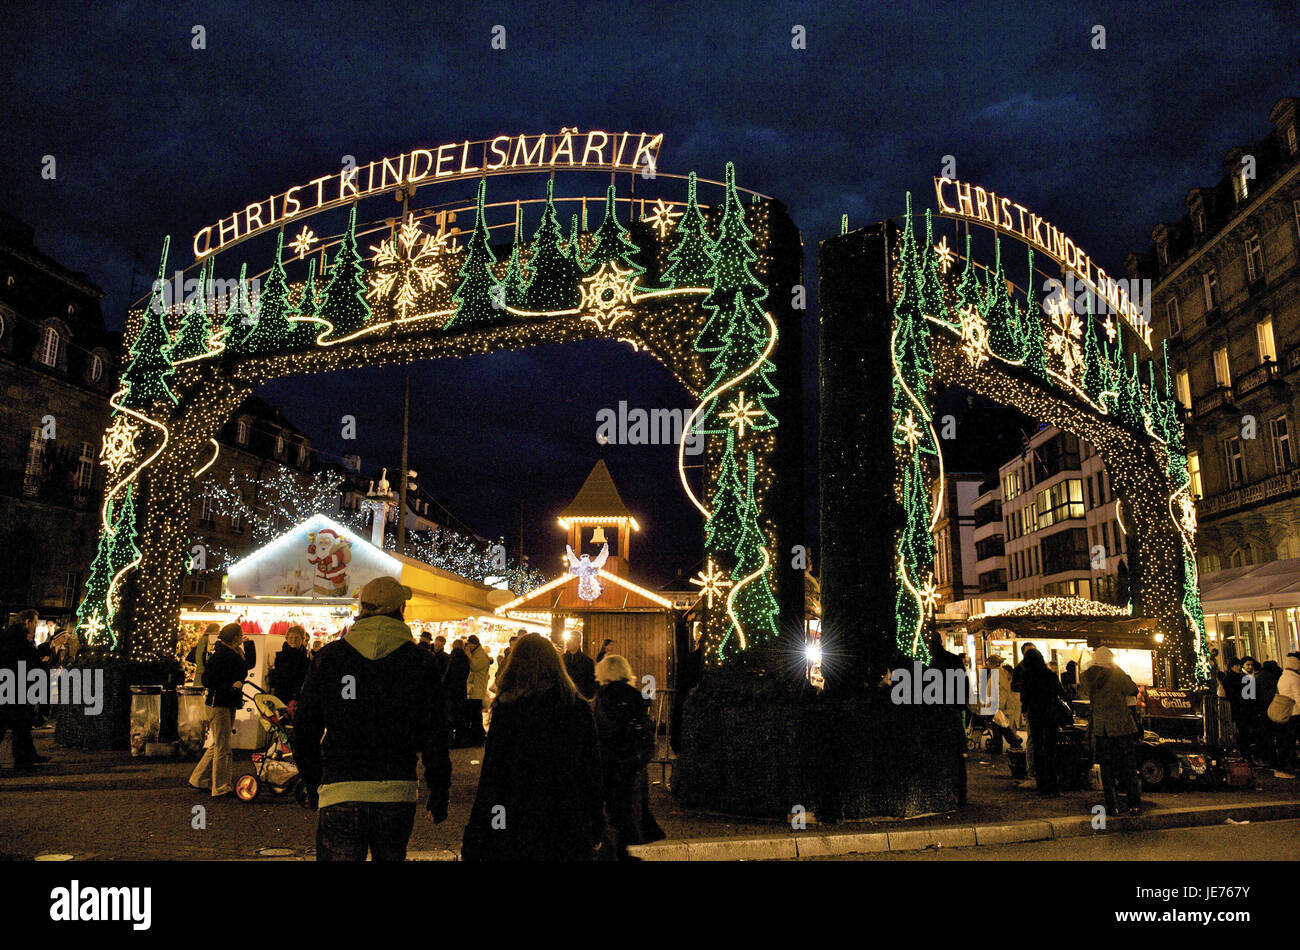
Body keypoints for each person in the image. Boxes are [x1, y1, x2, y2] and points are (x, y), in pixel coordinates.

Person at [295, 576, 450, 861]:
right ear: (400, 610)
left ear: (362, 609)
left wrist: (313, 780)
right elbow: (435, 732)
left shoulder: (330, 657)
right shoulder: (421, 662)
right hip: (396, 789)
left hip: (341, 787)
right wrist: (439, 789)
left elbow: (305, 728)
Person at [461, 633, 604, 861]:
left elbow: (494, 776)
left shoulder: (508, 711)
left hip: (518, 817)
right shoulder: (577, 708)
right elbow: (591, 771)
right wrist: (596, 822)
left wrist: (491, 825)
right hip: (567, 818)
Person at [594, 655, 665, 859]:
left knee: (611, 816)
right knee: (627, 817)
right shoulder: (636, 697)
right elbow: (645, 736)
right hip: (631, 769)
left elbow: (603, 733)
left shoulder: (604, 698)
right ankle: (622, 852)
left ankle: (615, 853)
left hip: (609, 767)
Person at [1080, 647, 1142, 816]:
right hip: (1121, 727)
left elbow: (1085, 693)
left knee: (1106, 769)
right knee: (1128, 766)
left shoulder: (1086, 676)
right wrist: (1118, 669)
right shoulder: (1117, 674)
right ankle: (1133, 804)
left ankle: (1111, 805)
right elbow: (1132, 689)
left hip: (1101, 729)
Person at [187, 624, 247, 797]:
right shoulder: (221, 655)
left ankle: (198, 778)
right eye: (241, 635)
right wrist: (229, 686)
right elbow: (207, 679)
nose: (242, 637)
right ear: (235, 637)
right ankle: (220, 786)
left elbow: (243, 669)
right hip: (219, 703)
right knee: (223, 746)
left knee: (219, 743)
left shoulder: (231, 653)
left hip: (226, 701)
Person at [1015, 646, 1069, 796]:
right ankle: (1053, 785)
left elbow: (1023, 698)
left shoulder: (1027, 678)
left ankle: (1042, 785)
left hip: (1035, 716)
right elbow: (1062, 693)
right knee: (1051, 750)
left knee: (1038, 748)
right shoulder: (1050, 675)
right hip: (1050, 716)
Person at [0, 610, 48, 770]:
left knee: (22, 725)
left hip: (14, 686)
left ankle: (27, 757)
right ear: (27, 622)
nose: (35, 626)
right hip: (13, 687)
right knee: (16, 724)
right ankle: (24, 760)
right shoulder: (16, 639)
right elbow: (20, 661)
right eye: (34, 622)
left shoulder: (14, 637)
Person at [981, 655, 1021, 753]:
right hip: (995, 705)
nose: (987, 665)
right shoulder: (997, 673)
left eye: (988, 663)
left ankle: (1013, 743)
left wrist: (998, 705)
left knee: (1001, 727)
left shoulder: (998, 673)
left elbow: (1002, 691)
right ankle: (999, 746)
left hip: (997, 705)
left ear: (992, 663)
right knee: (998, 726)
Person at [268, 625, 311, 706]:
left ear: (302, 639)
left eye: (296, 637)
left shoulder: (306, 658)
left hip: (299, 697)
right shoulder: (280, 656)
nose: (293, 640)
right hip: (282, 697)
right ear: (286, 639)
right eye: (291, 637)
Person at [1274, 655, 1300, 778]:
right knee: (1289, 742)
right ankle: (1284, 766)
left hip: (1286, 713)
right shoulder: (1294, 679)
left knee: (1287, 741)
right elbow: (1298, 697)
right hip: (1295, 713)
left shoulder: (1283, 677)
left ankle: (1283, 766)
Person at [443, 638, 470, 746]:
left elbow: (448, 674)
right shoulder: (465, 658)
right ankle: (461, 739)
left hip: (451, 691)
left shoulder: (452, 657)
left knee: (449, 716)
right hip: (461, 690)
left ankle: (449, 740)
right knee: (460, 716)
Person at [464, 635, 490, 745]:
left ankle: (479, 737)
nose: (467, 646)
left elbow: (474, 666)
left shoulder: (480, 655)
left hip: (477, 690)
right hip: (474, 690)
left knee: (475, 715)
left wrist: (468, 655)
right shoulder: (477, 654)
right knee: (474, 715)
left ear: (473, 644)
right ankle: (478, 736)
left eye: (469, 644)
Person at [187, 622, 219, 687]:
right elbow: (199, 653)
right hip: (203, 667)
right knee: (200, 684)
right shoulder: (205, 638)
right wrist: (200, 667)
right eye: (216, 631)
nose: (217, 633)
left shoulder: (212, 639)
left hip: (207, 667)